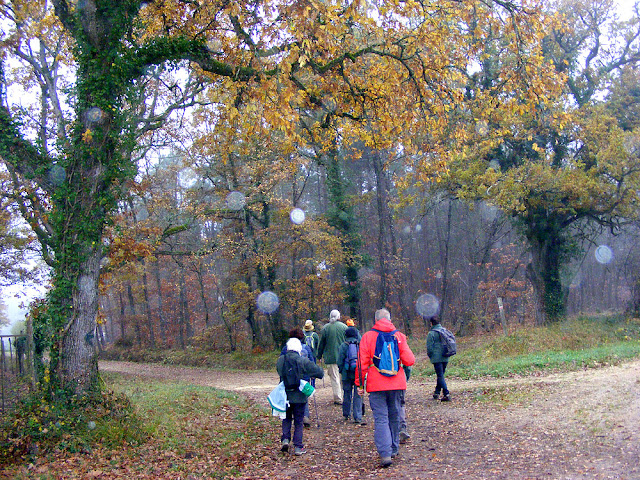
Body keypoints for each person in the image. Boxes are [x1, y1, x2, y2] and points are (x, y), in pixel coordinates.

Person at [356, 308, 415, 468]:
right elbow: (409, 360)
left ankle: (385, 454)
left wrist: (359, 384)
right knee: (394, 415)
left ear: (375, 320)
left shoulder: (368, 337)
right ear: (390, 319)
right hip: (397, 384)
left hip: (376, 385)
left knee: (381, 419)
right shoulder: (399, 336)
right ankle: (394, 448)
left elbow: (361, 363)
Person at [276, 337, 324, 456]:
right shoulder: (302, 360)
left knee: (286, 418)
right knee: (298, 421)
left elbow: (279, 372)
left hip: (285, 394)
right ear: (298, 348)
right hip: (299, 396)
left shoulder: (281, 360)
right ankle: (298, 447)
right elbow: (319, 373)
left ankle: (285, 439)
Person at [280, 328, 316, 427]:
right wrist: (312, 376)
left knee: (289, 397)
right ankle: (305, 416)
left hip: (289, 377)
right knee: (303, 396)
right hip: (304, 377)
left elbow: (281, 363)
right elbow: (312, 362)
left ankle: (289, 417)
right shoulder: (306, 348)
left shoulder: (285, 349)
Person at [317, 309, 347, 405]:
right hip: (344, 358)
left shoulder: (325, 328)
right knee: (343, 378)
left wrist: (319, 355)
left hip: (331, 358)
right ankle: (346, 396)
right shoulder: (344, 327)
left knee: (335, 378)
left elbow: (322, 344)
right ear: (339, 317)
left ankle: (338, 398)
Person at [337, 326, 366, 425]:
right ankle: (357, 417)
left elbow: (339, 361)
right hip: (358, 374)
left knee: (347, 393)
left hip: (346, 374)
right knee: (358, 395)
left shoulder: (343, 345)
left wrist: (341, 370)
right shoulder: (360, 345)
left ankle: (346, 413)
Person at [426, 315, 451, 401]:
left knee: (440, 375)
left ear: (431, 323)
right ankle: (436, 392)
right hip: (446, 356)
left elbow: (429, 348)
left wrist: (431, 355)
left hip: (437, 358)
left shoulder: (431, 333)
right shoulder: (445, 331)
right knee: (441, 375)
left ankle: (446, 393)